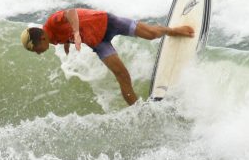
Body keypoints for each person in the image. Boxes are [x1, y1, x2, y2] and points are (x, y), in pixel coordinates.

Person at [20, 8, 194, 105]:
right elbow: (62, 33)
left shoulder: (51, 22)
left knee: (150, 34)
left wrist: (76, 33)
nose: (37, 53)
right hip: (98, 42)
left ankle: (171, 30)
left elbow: (70, 12)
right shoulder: (51, 38)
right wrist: (67, 42)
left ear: (42, 38)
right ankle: (141, 110)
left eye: (35, 49)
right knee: (122, 75)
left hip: (105, 21)